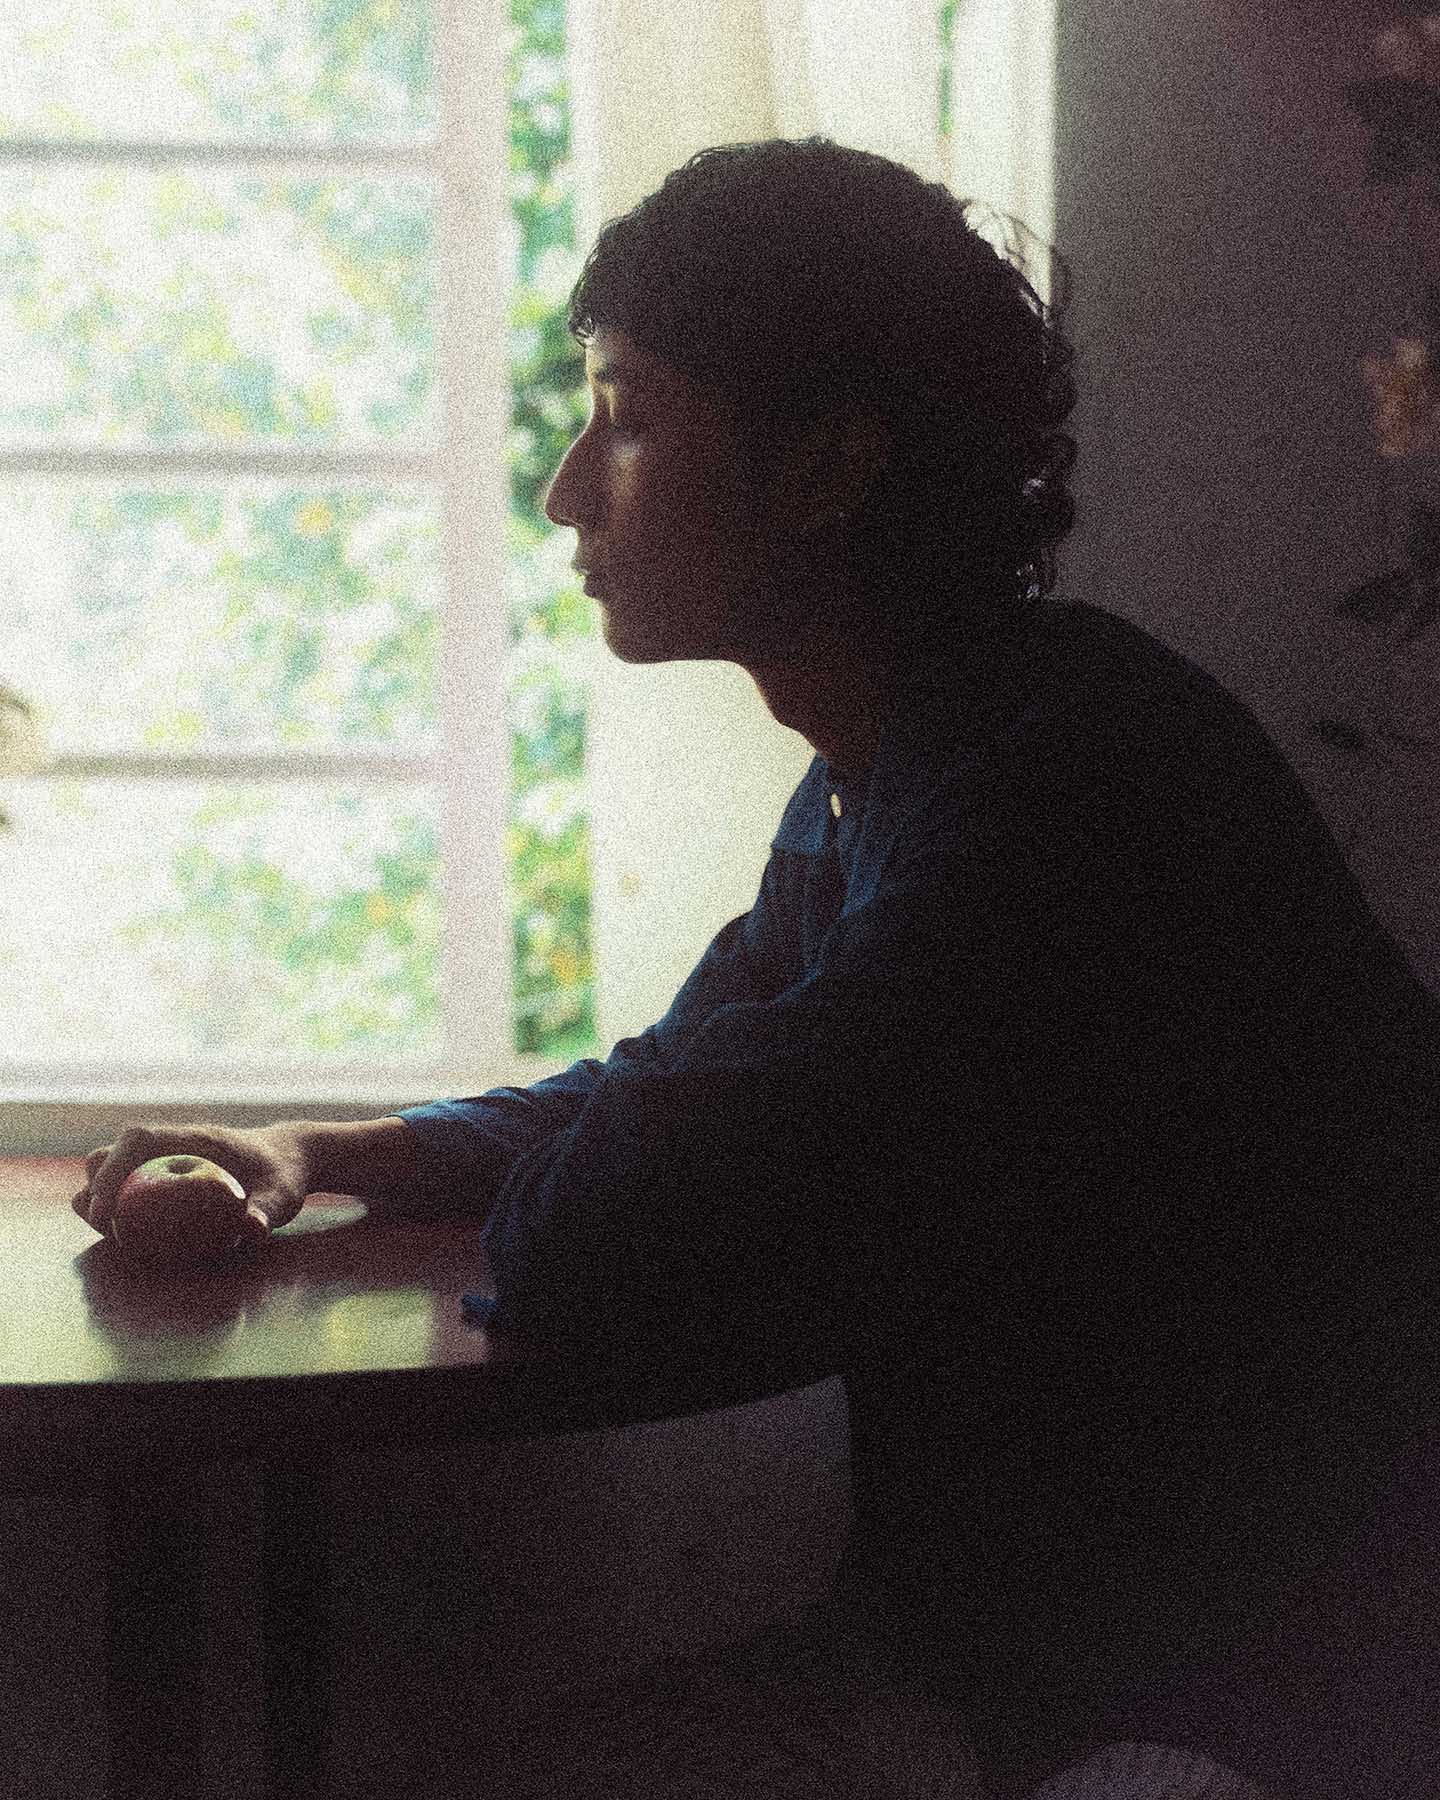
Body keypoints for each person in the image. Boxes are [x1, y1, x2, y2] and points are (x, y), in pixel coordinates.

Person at [73, 138, 1440, 1798]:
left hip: (1228, 1717)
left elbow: (606, 1235)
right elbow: (681, 1087)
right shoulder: (909, 760)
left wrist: (618, 1149)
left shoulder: (1051, 792)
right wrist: (320, 1149)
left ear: (827, 467)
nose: (567, 490)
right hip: (1032, 1655)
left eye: (627, 416)